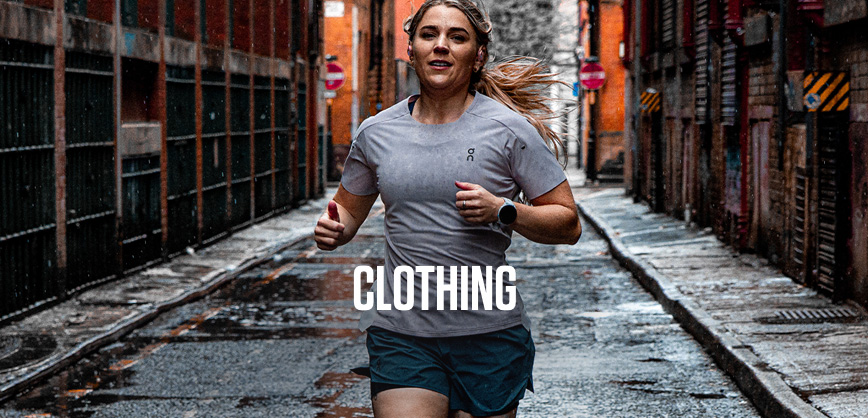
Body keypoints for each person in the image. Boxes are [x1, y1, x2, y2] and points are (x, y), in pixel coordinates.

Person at [314, 0, 582, 416]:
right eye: (429, 35)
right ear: (411, 50)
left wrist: (503, 210)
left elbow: (568, 223)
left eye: (457, 37)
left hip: (490, 336)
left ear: (477, 56)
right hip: (402, 333)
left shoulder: (509, 129)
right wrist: (334, 229)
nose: (441, 46)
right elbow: (346, 211)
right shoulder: (376, 132)